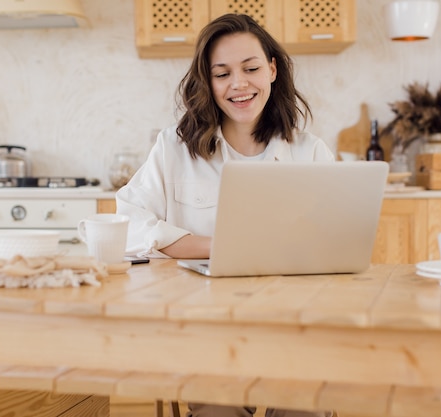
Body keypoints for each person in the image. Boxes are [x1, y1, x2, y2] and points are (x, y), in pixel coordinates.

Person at [116, 13, 334, 417]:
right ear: (207, 82)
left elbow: (334, 245)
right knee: (218, 409)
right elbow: (128, 223)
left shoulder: (310, 152)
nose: (239, 84)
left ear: (271, 69)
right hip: (205, 333)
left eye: (250, 68)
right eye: (222, 73)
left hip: (294, 330)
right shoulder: (174, 149)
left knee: (303, 407)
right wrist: (218, 248)